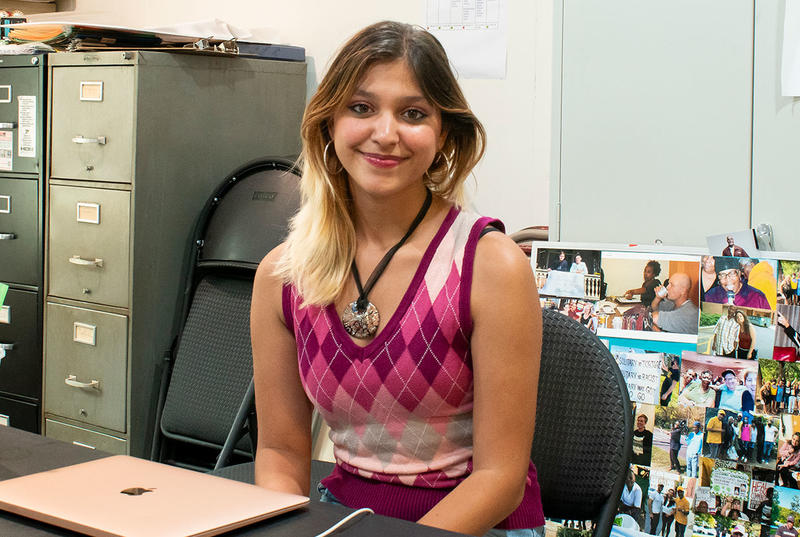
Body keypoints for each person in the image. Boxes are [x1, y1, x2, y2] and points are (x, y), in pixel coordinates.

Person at [250, 21, 544, 536]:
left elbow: (501, 478)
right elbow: (279, 450)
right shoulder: (282, 275)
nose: (385, 133)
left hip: (480, 523)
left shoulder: (492, 267)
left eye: (412, 113)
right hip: (347, 515)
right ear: (329, 124)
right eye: (361, 108)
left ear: (444, 135)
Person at [704, 257, 771, 309]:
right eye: (722, 275)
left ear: (739, 274)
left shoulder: (757, 297)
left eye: (732, 273)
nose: (728, 279)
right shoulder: (710, 297)